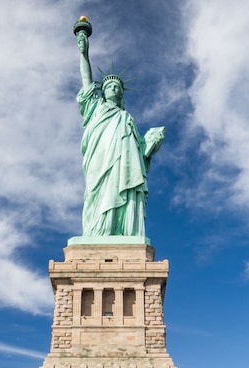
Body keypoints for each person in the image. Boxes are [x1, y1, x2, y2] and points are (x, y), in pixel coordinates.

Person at [75, 22, 164, 237]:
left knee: (120, 189)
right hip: (100, 159)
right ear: (103, 92)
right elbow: (87, 80)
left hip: (123, 164)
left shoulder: (126, 118)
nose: (113, 88)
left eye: (117, 87)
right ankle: (98, 233)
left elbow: (139, 155)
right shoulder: (95, 107)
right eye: (109, 87)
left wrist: (151, 144)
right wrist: (84, 54)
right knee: (98, 194)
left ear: (121, 94)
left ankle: (122, 232)